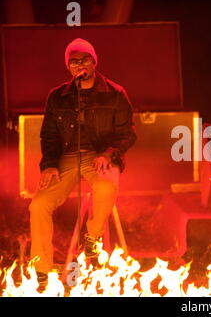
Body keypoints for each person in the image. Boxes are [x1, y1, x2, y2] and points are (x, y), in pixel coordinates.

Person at [28, 38, 136, 283]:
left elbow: (127, 133)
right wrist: (49, 165)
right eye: (74, 61)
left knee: (106, 185)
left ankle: (92, 234)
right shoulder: (58, 97)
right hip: (66, 158)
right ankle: (42, 267)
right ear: (69, 67)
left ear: (94, 62)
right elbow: (49, 135)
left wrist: (108, 153)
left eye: (85, 59)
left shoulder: (114, 93)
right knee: (38, 205)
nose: (80, 65)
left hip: (100, 156)